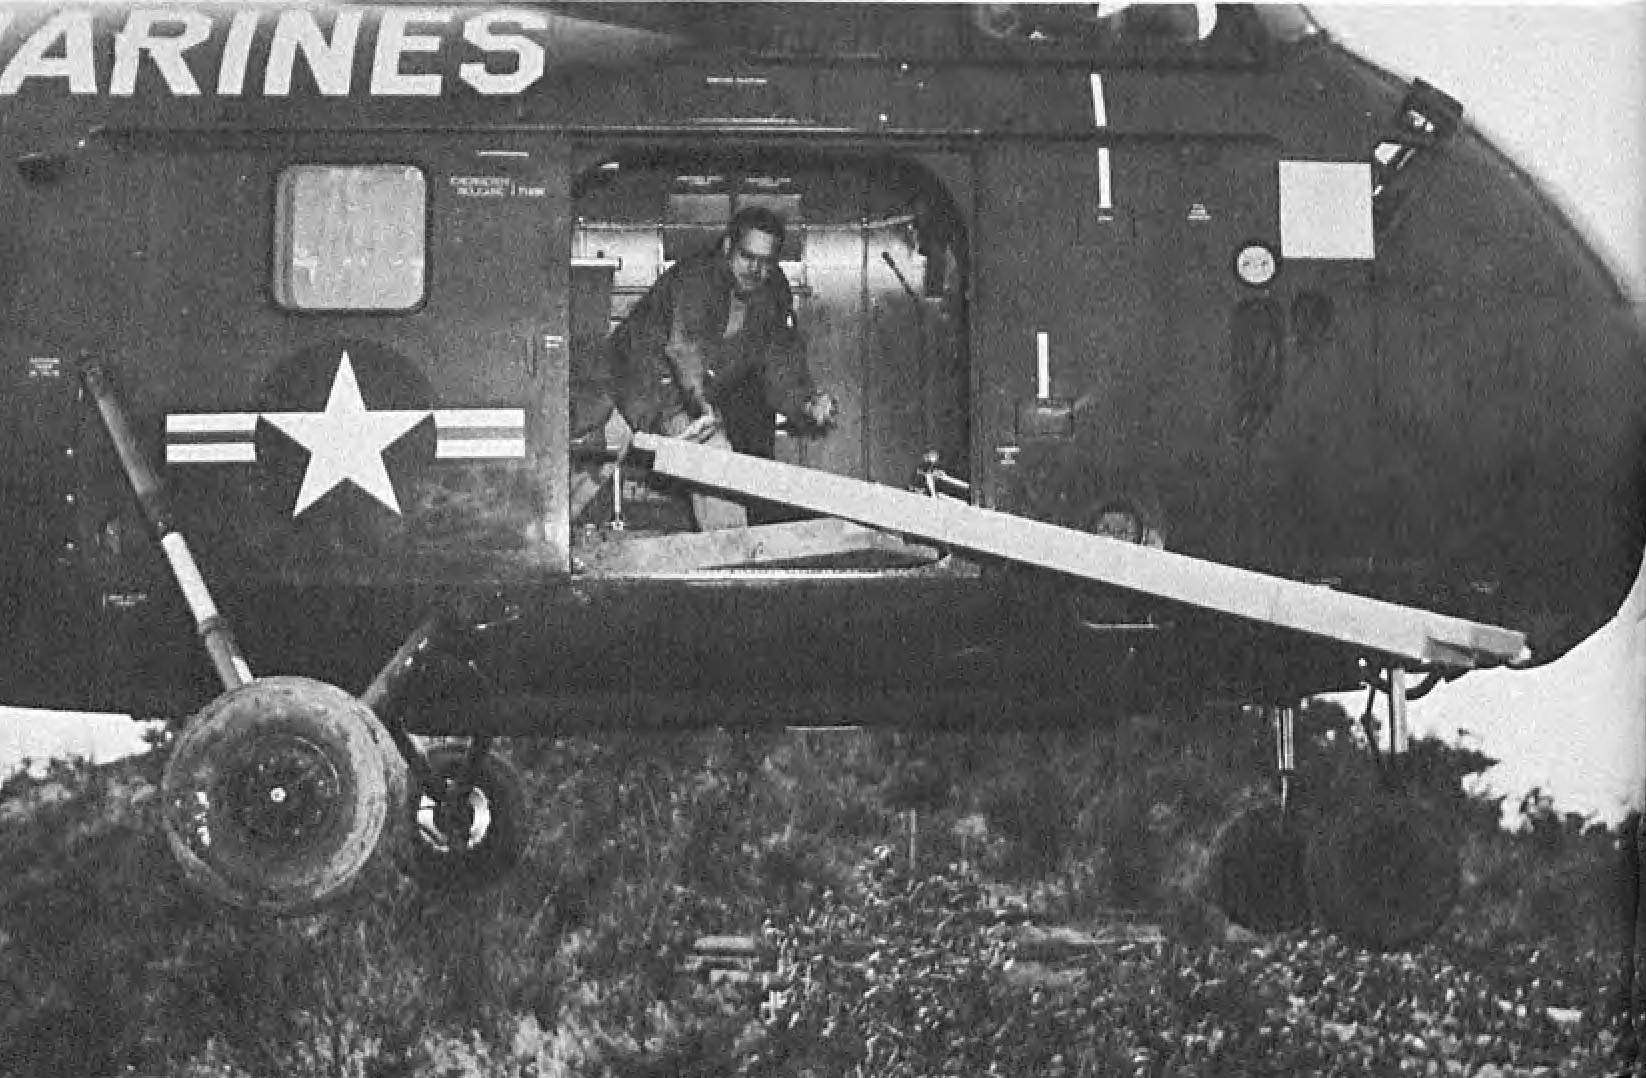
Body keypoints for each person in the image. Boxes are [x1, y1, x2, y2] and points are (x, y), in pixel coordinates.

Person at [604, 205, 836, 530]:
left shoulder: (772, 295)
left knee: (714, 463)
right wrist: (702, 410)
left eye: (765, 261)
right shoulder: (696, 277)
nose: (755, 270)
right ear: (728, 247)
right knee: (591, 468)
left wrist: (807, 403)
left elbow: (779, 364)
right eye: (747, 257)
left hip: (680, 396)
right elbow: (684, 350)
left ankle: (733, 552)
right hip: (636, 382)